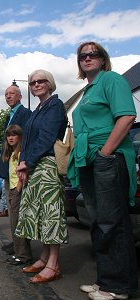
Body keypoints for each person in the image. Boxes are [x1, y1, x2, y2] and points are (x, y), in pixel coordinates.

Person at [68, 41, 138, 300]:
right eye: (82, 56)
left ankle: (116, 288)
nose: (87, 58)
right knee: (99, 222)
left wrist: (105, 152)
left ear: (102, 58)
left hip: (107, 156)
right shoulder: (87, 90)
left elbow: (127, 116)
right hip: (89, 158)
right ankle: (110, 281)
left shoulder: (112, 80)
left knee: (111, 222)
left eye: (92, 54)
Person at [15, 69, 68, 283]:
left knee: (50, 213)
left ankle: (54, 265)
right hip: (34, 165)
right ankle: (45, 258)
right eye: (32, 82)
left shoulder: (55, 105)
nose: (36, 84)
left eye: (40, 81)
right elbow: (26, 141)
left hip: (46, 164)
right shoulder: (38, 108)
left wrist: (28, 161)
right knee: (37, 213)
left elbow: (46, 137)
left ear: (49, 83)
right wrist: (23, 163)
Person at [0, 84, 32, 254]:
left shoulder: (24, 114)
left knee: (18, 212)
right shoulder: (9, 115)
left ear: (19, 96)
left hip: (19, 169)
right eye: (6, 94)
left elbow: (27, 139)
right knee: (13, 213)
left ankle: (22, 249)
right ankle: (16, 243)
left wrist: (23, 162)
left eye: (11, 94)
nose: (8, 96)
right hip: (9, 169)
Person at [2, 125, 32, 266]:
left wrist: (17, 191)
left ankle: (23, 255)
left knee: (17, 224)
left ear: (20, 137)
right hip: (13, 190)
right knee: (15, 223)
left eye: (14, 135)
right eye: (8, 135)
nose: (11, 138)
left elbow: (22, 175)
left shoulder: (21, 153)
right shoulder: (12, 153)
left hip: (18, 190)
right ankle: (19, 252)